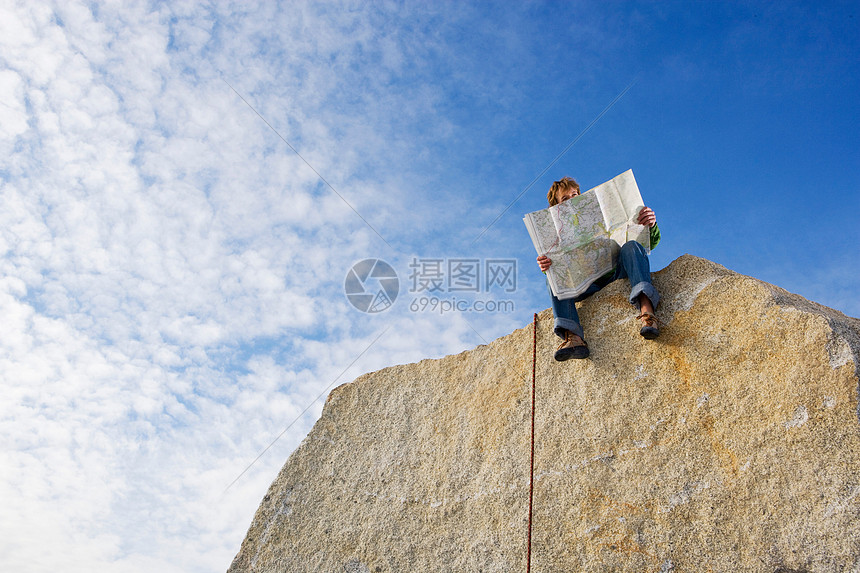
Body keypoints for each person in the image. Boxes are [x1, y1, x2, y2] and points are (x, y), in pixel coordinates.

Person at [537, 176, 661, 361]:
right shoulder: (555, 232)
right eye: (565, 199)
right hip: (585, 285)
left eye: (575, 195)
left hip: (615, 271)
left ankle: (647, 312)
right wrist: (546, 266)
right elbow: (557, 268)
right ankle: (573, 337)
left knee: (631, 246)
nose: (573, 200)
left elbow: (650, 242)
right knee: (552, 277)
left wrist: (650, 224)